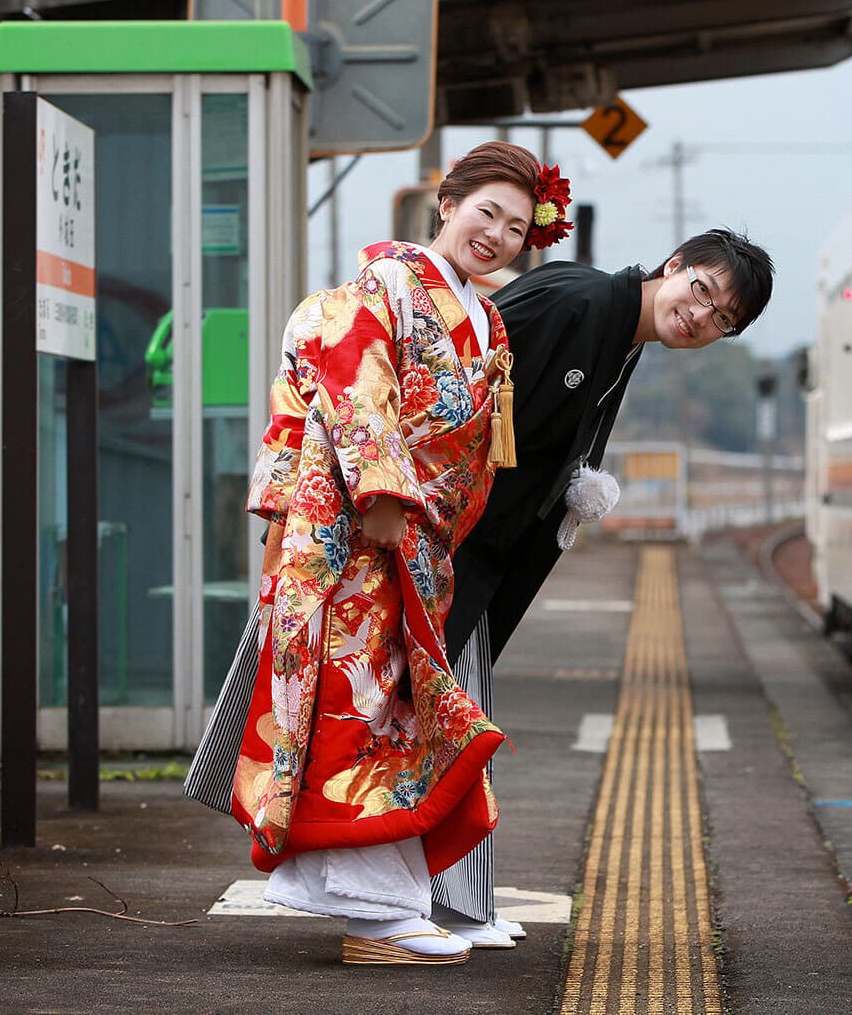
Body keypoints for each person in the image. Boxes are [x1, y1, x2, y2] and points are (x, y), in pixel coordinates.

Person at [196, 142, 572, 965]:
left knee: (394, 718)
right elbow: (356, 386)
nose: (498, 235)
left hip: (422, 546)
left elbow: (479, 445)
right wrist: (386, 496)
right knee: (354, 711)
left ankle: (392, 902)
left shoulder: (486, 317)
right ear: (447, 203)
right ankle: (375, 916)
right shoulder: (390, 284)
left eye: (516, 227)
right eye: (486, 213)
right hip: (362, 535)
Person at [427, 228, 774, 931]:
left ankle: (450, 902)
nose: (702, 316)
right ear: (673, 265)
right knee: (434, 722)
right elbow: (449, 382)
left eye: (722, 320)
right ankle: (418, 903)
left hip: (480, 552)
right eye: (703, 291)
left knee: (449, 720)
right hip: (447, 542)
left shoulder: (621, 333)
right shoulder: (579, 302)